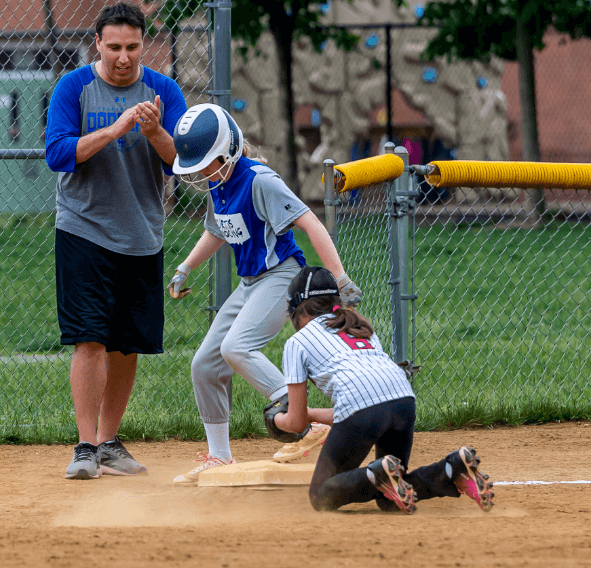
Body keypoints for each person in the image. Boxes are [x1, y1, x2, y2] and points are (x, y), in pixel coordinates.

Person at [166, 103, 363, 485]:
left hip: (282, 275)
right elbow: (217, 230)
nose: (201, 172)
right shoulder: (217, 181)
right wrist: (185, 267)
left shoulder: (260, 180)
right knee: (205, 365)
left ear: (231, 150)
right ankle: (219, 458)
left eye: (208, 162)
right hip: (251, 281)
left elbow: (309, 221)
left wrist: (340, 277)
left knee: (235, 348)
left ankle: (304, 424)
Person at [45, 1, 188, 480]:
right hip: (83, 228)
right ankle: (84, 447)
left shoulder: (163, 90)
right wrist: (114, 128)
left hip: (142, 235)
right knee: (90, 339)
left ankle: (109, 442)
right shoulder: (75, 87)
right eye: (113, 47)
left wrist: (154, 132)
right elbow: (59, 154)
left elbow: (180, 163)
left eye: (132, 47)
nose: (123, 57)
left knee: (126, 345)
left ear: (144, 44)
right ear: (98, 45)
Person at [270, 265, 495, 514]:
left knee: (321, 495)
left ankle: (375, 474)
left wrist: (275, 419)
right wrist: (312, 413)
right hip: (403, 400)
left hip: (363, 409)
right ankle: (453, 469)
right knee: (391, 494)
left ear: (295, 309)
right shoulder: (358, 325)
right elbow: (352, 409)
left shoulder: (297, 342)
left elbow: (296, 423)